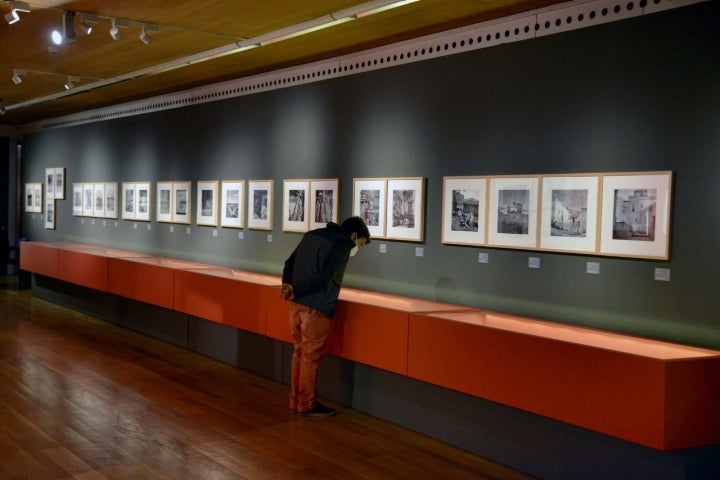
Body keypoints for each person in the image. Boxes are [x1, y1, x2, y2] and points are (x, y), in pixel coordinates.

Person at [281, 216, 370, 416]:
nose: (357, 248)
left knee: (298, 352)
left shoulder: (312, 235)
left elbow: (289, 262)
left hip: (295, 305)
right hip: (317, 307)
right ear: (354, 235)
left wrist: (288, 286)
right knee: (310, 357)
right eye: (360, 244)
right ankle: (307, 403)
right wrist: (297, 289)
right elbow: (324, 277)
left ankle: (295, 399)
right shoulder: (343, 244)